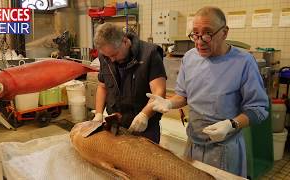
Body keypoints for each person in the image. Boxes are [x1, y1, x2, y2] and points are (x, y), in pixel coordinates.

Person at [147, 6, 269, 177]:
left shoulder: (243, 62)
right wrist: (169, 102)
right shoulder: (190, 58)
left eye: (207, 33)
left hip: (225, 147)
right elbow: (184, 95)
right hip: (193, 143)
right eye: (195, 34)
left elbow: (258, 110)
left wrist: (231, 124)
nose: (199, 41)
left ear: (224, 33)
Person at [92, 23, 167, 143]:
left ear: (125, 42)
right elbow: (102, 87)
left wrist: (145, 115)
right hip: (115, 124)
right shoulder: (106, 56)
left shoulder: (150, 54)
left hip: (144, 126)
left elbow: (159, 92)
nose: (111, 60)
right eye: (107, 56)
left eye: (114, 55)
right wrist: (98, 114)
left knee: (143, 160)